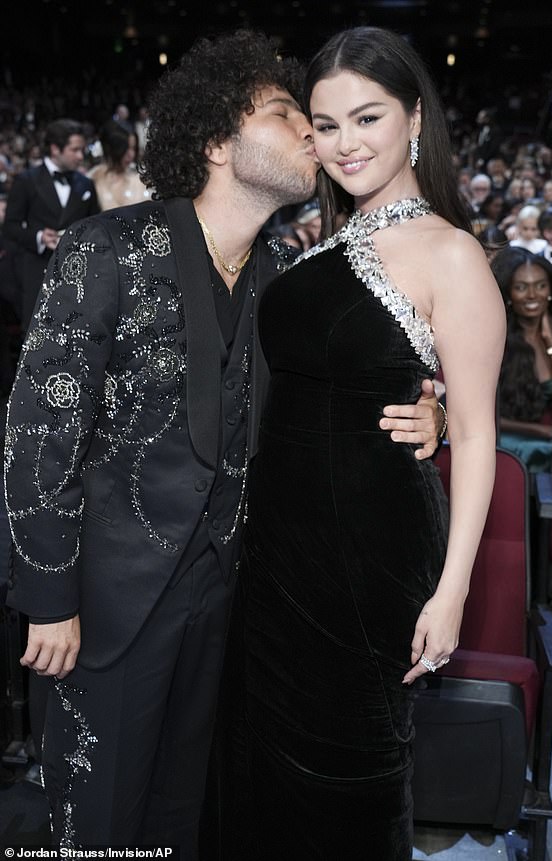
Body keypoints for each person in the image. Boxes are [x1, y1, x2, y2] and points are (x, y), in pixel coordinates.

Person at [3, 30, 442, 857]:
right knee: (97, 827)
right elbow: (39, 428)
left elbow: (341, 400)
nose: (315, 137)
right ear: (214, 141)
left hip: (231, 609)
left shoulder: (291, 279)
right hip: (102, 608)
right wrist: (48, 595)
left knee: (185, 821)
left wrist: (436, 414)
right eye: (288, 114)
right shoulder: (110, 249)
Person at [207, 25, 505, 861]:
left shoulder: (452, 255)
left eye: (367, 118)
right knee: (261, 765)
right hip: (275, 552)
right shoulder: (320, 245)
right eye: (326, 125)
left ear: (414, 118)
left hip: (369, 555)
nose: (345, 144)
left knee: (349, 771)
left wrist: (451, 596)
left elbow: (478, 437)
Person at [3, 118, 99, 331]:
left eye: (82, 150)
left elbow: (96, 227)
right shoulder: (26, 180)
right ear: (55, 149)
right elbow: (10, 227)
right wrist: (38, 237)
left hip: (77, 276)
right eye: (75, 150)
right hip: (36, 273)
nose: (80, 156)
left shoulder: (86, 184)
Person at [493, 246, 552, 472]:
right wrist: (542, 431)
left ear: (550, 290)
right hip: (507, 441)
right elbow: (489, 415)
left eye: (540, 286)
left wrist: (550, 342)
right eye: (521, 287)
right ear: (509, 294)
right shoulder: (497, 341)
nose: (532, 295)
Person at [88, 120, 151, 210]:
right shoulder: (94, 178)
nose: (131, 154)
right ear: (112, 148)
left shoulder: (141, 177)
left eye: (133, 148)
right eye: (125, 149)